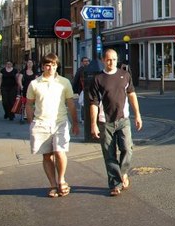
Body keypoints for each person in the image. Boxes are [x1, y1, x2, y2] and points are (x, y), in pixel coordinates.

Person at [25, 53, 80, 198]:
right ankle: (52, 185)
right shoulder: (34, 84)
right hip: (41, 123)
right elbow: (29, 104)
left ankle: (61, 180)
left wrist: (75, 122)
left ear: (57, 66)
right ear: (43, 66)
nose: (50, 68)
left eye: (54, 65)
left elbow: (70, 103)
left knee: (60, 152)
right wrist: (31, 122)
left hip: (60, 122)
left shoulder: (64, 82)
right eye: (48, 65)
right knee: (47, 156)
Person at [88, 48, 142, 197]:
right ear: (103, 60)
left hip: (123, 119)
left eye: (114, 59)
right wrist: (93, 124)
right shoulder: (97, 79)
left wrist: (137, 115)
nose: (111, 62)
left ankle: (122, 173)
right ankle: (115, 184)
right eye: (108, 59)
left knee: (127, 149)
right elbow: (93, 103)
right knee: (109, 154)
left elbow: (132, 94)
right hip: (105, 121)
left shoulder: (124, 75)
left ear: (117, 60)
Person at [72, 57, 90, 123]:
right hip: (82, 89)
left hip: (89, 90)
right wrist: (75, 90)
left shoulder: (91, 69)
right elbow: (76, 80)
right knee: (83, 104)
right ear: (82, 62)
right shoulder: (80, 70)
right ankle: (82, 118)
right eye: (85, 61)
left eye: (87, 61)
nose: (86, 62)